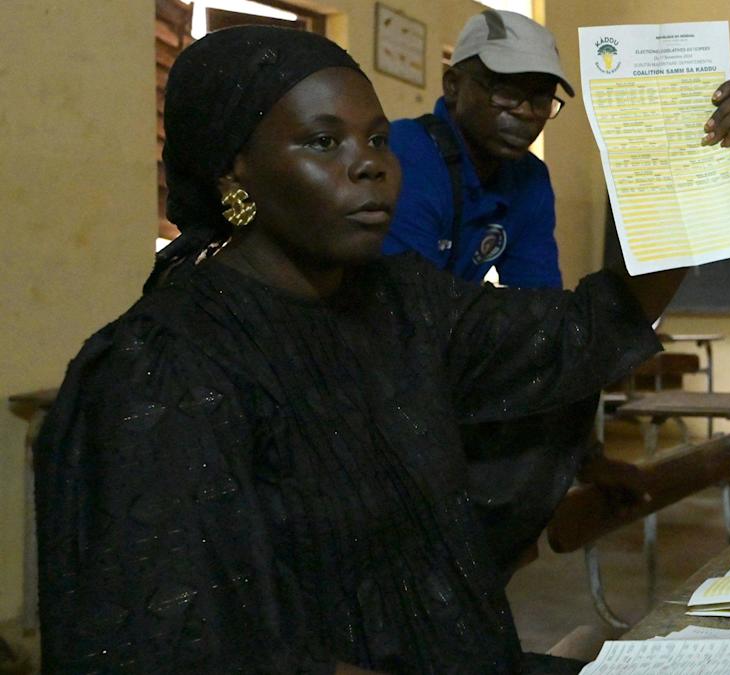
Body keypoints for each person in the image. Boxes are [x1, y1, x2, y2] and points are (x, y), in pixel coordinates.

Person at [35, 26, 687, 674]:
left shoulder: (401, 303)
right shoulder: (165, 368)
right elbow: (185, 647)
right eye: (324, 141)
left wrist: (700, 173)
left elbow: (582, 328)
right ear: (235, 169)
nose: (371, 162)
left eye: (377, 138)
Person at [383, 9, 730, 288]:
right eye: (505, 91)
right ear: (452, 85)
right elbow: (412, 318)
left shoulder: (528, 178)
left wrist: (714, 169)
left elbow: (535, 302)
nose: (524, 113)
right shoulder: (405, 156)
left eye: (540, 98)